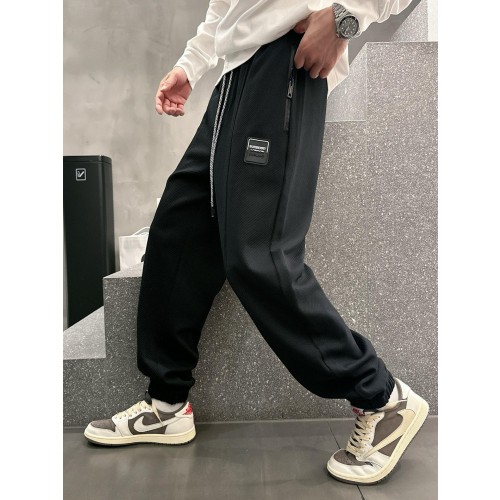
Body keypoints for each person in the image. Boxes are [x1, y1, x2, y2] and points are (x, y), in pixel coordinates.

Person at [84, 0, 428, 486]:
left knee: (259, 256)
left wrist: (345, 15)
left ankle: (381, 396)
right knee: (177, 236)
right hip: (233, 80)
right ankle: (167, 404)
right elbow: (224, 7)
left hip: (285, 62)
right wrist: (191, 65)